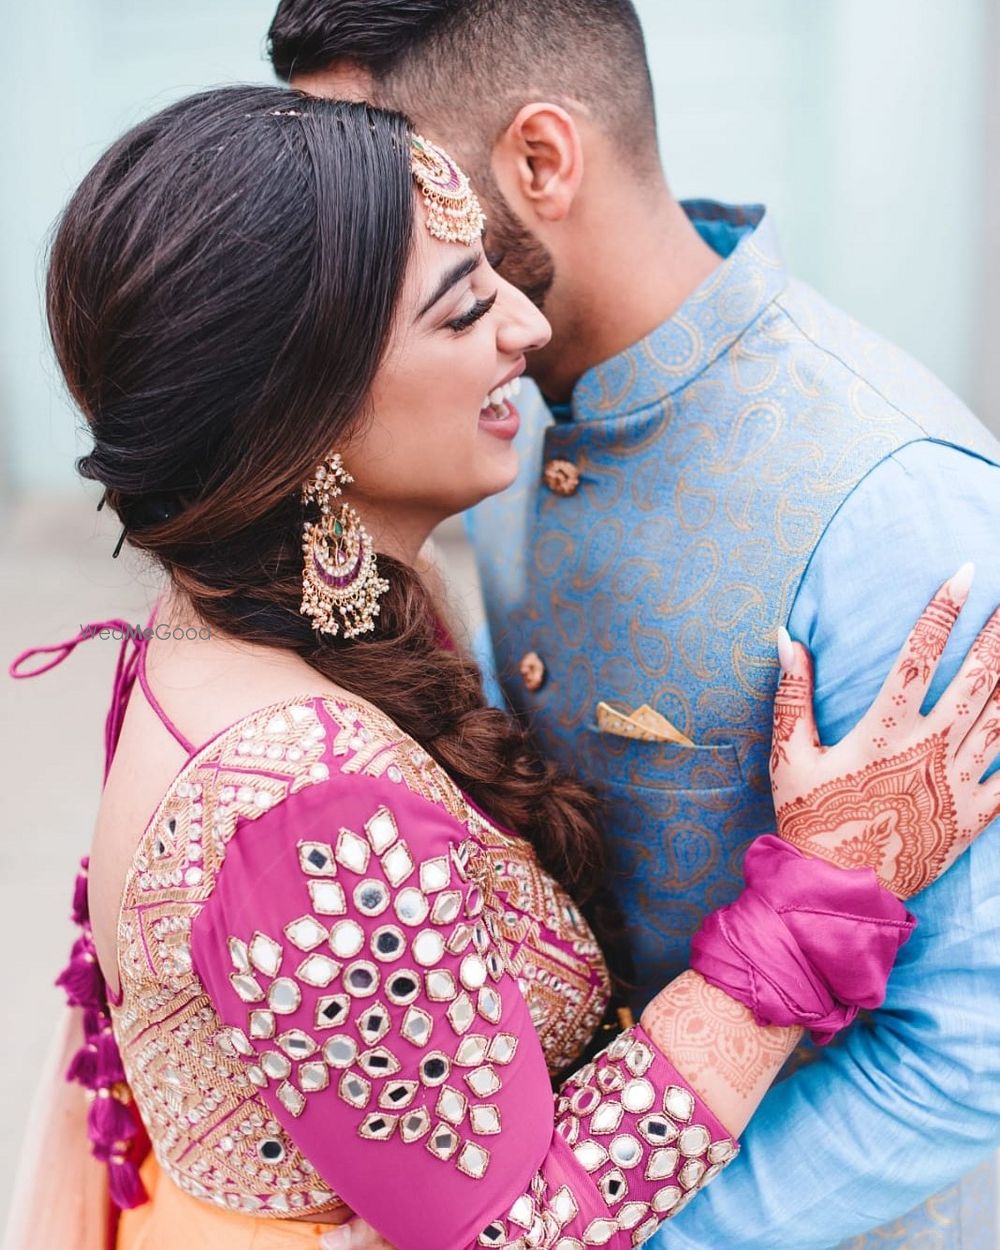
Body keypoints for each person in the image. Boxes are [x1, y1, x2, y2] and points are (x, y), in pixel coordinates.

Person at [5, 86, 998, 1250]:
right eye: (464, 306)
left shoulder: (274, 617)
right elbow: (507, 1234)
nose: (526, 329)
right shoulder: (301, 809)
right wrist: (825, 885)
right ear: (304, 416)